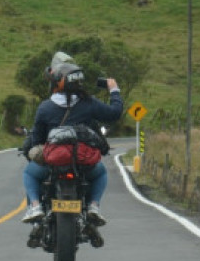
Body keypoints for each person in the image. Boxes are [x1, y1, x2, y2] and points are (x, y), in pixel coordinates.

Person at [22, 53, 124, 229]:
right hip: (82, 161)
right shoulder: (88, 103)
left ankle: (36, 207)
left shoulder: (45, 107)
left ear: (56, 84)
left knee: (30, 173)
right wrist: (113, 89)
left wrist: (31, 148)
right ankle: (93, 206)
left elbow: (37, 138)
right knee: (100, 173)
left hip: (52, 162)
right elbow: (114, 113)